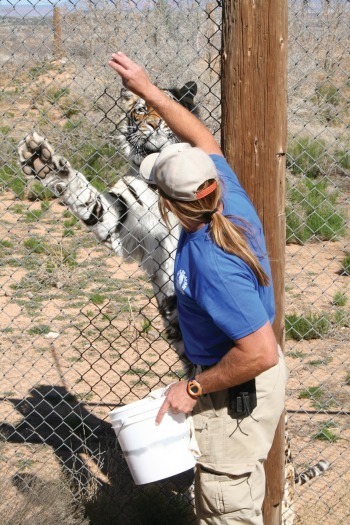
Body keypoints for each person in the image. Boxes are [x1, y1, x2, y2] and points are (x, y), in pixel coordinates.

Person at [109, 52, 287, 525]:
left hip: (238, 386)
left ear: (168, 201)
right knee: (228, 494)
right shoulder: (221, 190)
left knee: (226, 508)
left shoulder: (212, 261)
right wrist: (148, 90)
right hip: (241, 381)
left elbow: (261, 352)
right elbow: (202, 137)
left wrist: (193, 386)